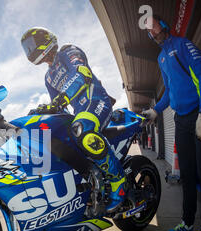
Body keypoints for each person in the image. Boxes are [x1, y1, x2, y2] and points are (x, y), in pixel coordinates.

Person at [21, 27, 125, 213]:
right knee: (55, 139)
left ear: (45, 40)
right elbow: (57, 104)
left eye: (31, 45)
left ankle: (118, 180)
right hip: (79, 111)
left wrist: (61, 99)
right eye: (27, 48)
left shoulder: (69, 52)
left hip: (96, 101)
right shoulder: (48, 77)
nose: (30, 51)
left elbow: (81, 73)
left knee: (81, 129)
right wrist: (43, 111)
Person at [142, 15, 201, 231]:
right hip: (181, 120)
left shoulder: (183, 44)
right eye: (149, 32)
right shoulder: (161, 57)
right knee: (188, 175)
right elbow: (169, 92)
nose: (152, 33)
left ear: (163, 25)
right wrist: (156, 110)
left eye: (154, 27)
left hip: (198, 115)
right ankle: (186, 223)